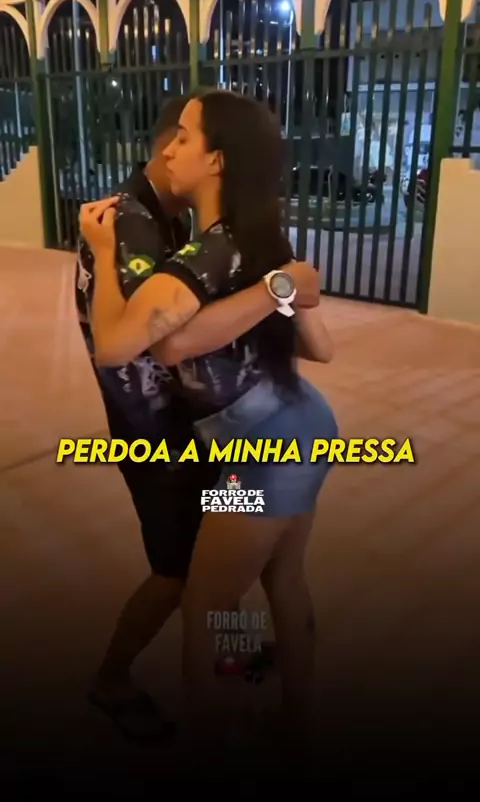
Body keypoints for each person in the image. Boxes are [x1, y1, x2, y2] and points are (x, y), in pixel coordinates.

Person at [78, 89, 337, 765]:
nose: (169, 147)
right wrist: (279, 289)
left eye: (185, 137)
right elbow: (321, 347)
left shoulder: (204, 256)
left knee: (204, 605)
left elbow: (122, 346)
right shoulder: (262, 242)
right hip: (306, 427)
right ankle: (298, 728)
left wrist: (102, 251)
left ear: (217, 160)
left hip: (258, 461)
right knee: (283, 581)